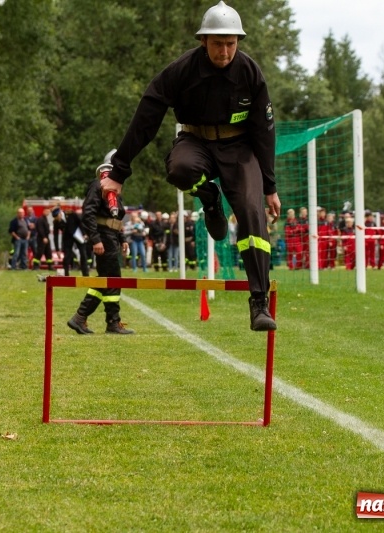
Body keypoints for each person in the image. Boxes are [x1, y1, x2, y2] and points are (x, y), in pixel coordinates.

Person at [100, 1, 278, 330]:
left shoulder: (250, 73)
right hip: (195, 141)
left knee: (252, 213)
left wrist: (270, 186)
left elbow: (264, 132)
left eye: (231, 44)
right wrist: (119, 170)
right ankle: (210, 200)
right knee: (179, 169)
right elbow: (147, 117)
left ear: (238, 41)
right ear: (203, 40)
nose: (224, 51)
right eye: (217, 44)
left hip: (239, 148)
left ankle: (259, 302)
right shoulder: (181, 71)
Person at [67, 152, 134, 335]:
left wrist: (122, 239)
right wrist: (96, 239)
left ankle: (83, 318)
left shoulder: (113, 188)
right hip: (103, 237)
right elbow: (88, 213)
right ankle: (108, 321)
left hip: (111, 237)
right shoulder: (99, 185)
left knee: (106, 279)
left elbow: (115, 217)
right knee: (111, 279)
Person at [63, 205, 90, 276]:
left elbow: (80, 224)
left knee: (83, 253)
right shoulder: (61, 218)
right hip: (68, 237)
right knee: (67, 255)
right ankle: (66, 273)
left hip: (78, 235)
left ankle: (85, 273)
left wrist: (84, 234)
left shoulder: (73, 215)